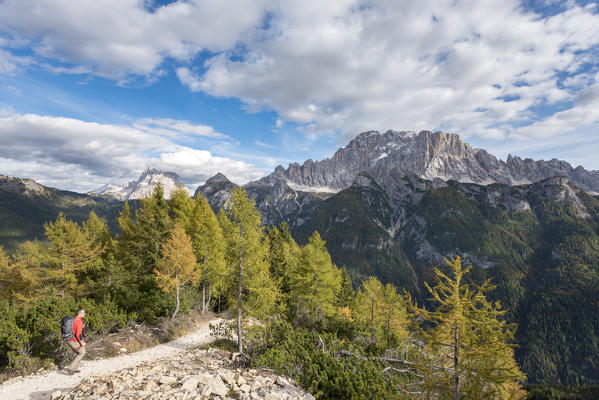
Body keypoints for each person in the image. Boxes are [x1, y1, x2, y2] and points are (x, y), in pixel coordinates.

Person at [66, 308, 86, 374]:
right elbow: (78, 334)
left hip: (69, 340)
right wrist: (82, 342)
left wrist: (81, 327)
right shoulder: (79, 321)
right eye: (83, 312)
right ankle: (70, 368)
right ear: (79, 313)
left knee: (78, 353)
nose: (84, 314)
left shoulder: (74, 320)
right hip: (73, 341)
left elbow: (74, 330)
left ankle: (75, 368)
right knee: (82, 352)